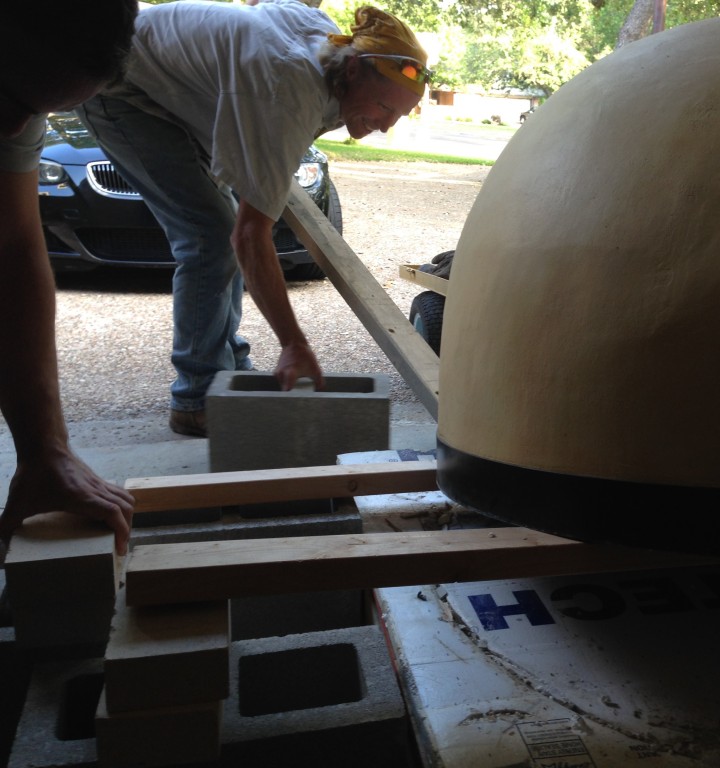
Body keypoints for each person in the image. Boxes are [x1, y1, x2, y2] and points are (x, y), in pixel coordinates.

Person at [77, 0, 431, 438]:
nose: (384, 125)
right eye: (382, 107)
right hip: (124, 88)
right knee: (210, 235)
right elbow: (249, 237)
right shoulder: (287, 87)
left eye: (397, 115)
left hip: (184, 97)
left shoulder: (332, 59)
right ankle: (198, 395)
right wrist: (294, 343)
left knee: (222, 226)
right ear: (354, 70)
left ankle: (227, 369)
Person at [0, 2, 138, 554]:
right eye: (10, 99)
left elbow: (11, 246)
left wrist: (44, 450)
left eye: (36, 115)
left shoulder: (22, 82)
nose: (12, 127)